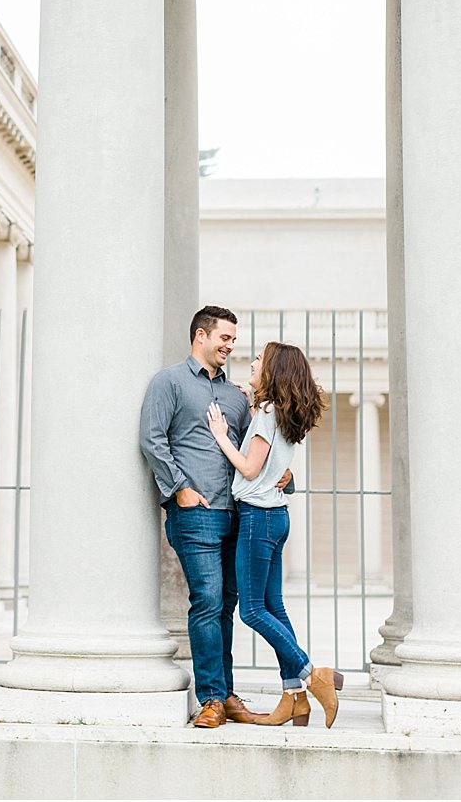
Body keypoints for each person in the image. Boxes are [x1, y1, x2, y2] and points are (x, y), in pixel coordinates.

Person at [139, 305, 292, 729]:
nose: (230, 346)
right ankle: (210, 698)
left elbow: (258, 450)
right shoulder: (168, 383)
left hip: (240, 514)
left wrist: (288, 476)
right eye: (224, 338)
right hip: (196, 512)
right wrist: (179, 489)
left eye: (233, 340)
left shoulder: (238, 397)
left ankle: (225, 694)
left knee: (228, 604)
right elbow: (152, 440)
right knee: (207, 599)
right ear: (200, 336)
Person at [207, 340, 344, 728]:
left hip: (257, 518)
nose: (250, 361)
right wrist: (250, 402)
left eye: (258, 359)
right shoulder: (279, 412)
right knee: (274, 607)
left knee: (251, 610)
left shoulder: (267, 414)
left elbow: (250, 469)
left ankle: (312, 674)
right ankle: (293, 698)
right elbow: (270, 463)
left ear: (272, 371)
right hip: (277, 517)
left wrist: (221, 435)